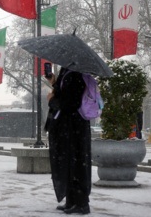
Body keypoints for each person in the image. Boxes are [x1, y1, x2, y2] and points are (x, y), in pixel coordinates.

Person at [45, 67, 92, 215]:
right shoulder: (68, 72)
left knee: (76, 163)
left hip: (73, 128)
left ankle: (81, 203)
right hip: (69, 128)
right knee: (68, 164)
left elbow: (70, 103)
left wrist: (52, 100)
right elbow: (66, 95)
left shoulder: (76, 74)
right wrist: (54, 83)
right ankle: (72, 201)